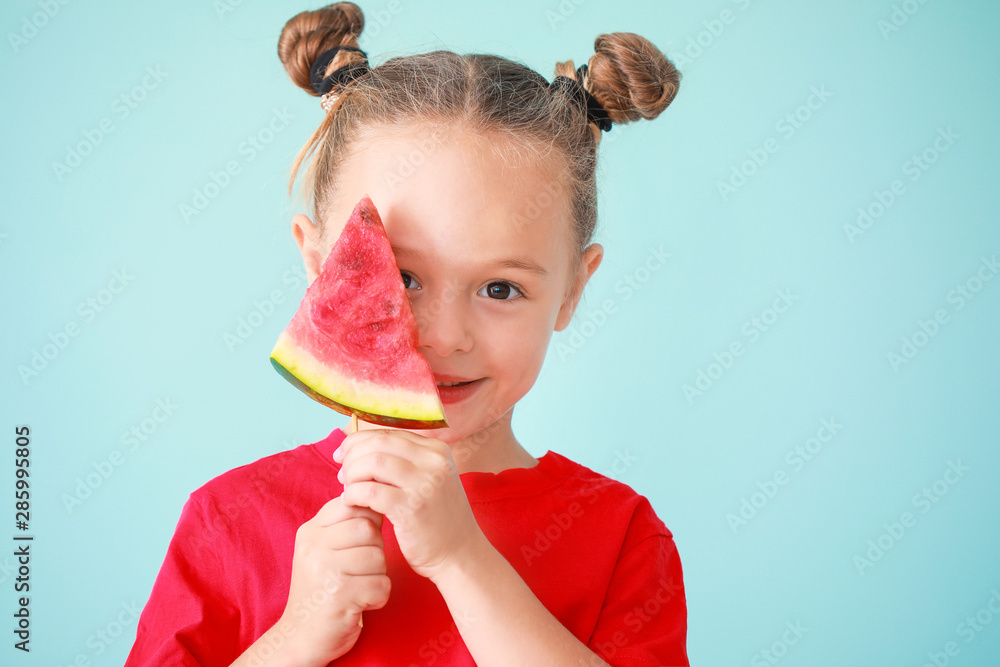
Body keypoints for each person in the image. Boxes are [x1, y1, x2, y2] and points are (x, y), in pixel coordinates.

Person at [124, 3, 685, 665]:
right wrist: (294, 634)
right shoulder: (228, 518)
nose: (443, 337)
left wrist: (461, 558)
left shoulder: (620, 535)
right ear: (319, 263)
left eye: (500, 288)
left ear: (573, 289)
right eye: (403, 275)